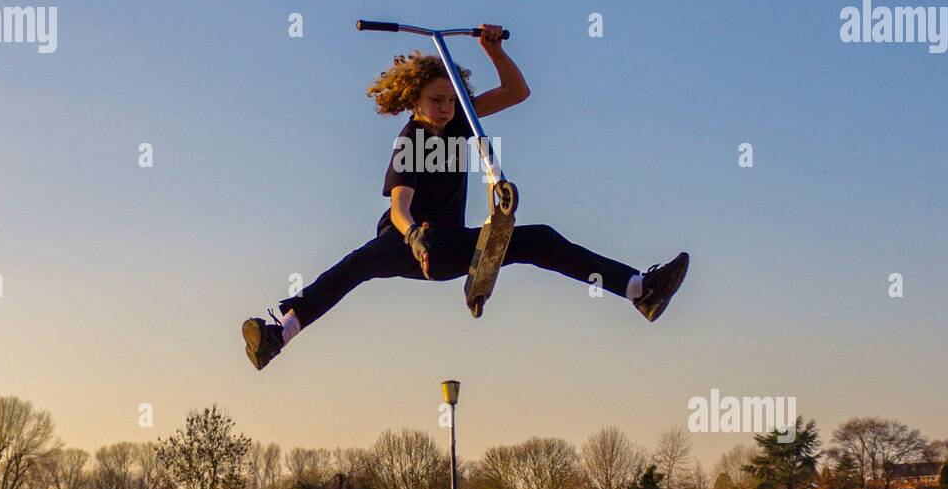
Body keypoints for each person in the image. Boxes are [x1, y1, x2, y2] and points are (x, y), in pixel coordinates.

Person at [242, 23, 689, 369]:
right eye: (437, 100)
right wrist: (414, 235)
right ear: (415, 99)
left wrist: (494, 50)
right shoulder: (411, 140)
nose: (446, 109)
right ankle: (279, 334)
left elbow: (518, 93)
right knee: (356, 265)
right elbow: (399, 206)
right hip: (407, 244)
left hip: (453, 245)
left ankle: (639, 290)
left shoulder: (460, 123)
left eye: (452, 101)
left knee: (541, 239)